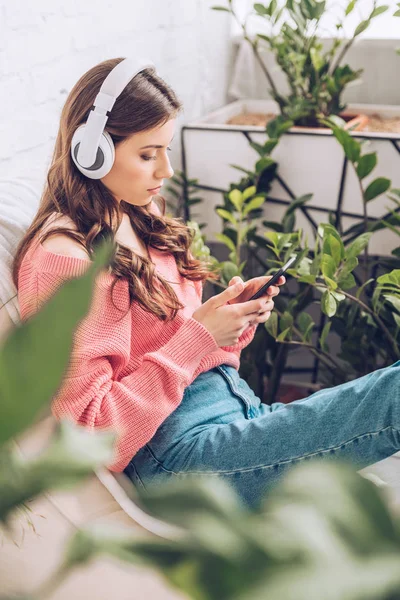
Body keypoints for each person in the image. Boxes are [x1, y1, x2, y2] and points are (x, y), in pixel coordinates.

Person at [13, 57, 400, 509]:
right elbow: (91, 429)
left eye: (167, 150)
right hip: (176, 457)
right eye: (146, 154)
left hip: (236, 412)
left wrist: (230, 322)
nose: (166, 172)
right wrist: (199, 336)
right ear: (90, 150)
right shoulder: (66, 262)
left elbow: (187, 354)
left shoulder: (139, 216)